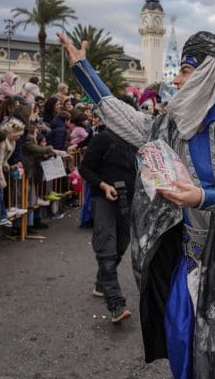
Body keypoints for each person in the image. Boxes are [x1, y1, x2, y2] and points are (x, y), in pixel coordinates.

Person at [60, 29, 215, 378]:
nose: (176, 78)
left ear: (207, 74)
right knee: (183, 349)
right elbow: (128, 122)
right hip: (187, 264)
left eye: (185, 70)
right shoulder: (174, 125)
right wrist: (83, 69)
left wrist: (202, 197)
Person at [78, 104, 138, 322]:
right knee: (106, 246)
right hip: (103, 199)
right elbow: (84, 168)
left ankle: (101, 284)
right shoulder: (103, 138)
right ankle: (116, 303)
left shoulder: (135, 140)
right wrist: (103, 185)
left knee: (122, 243)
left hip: (126, 200)